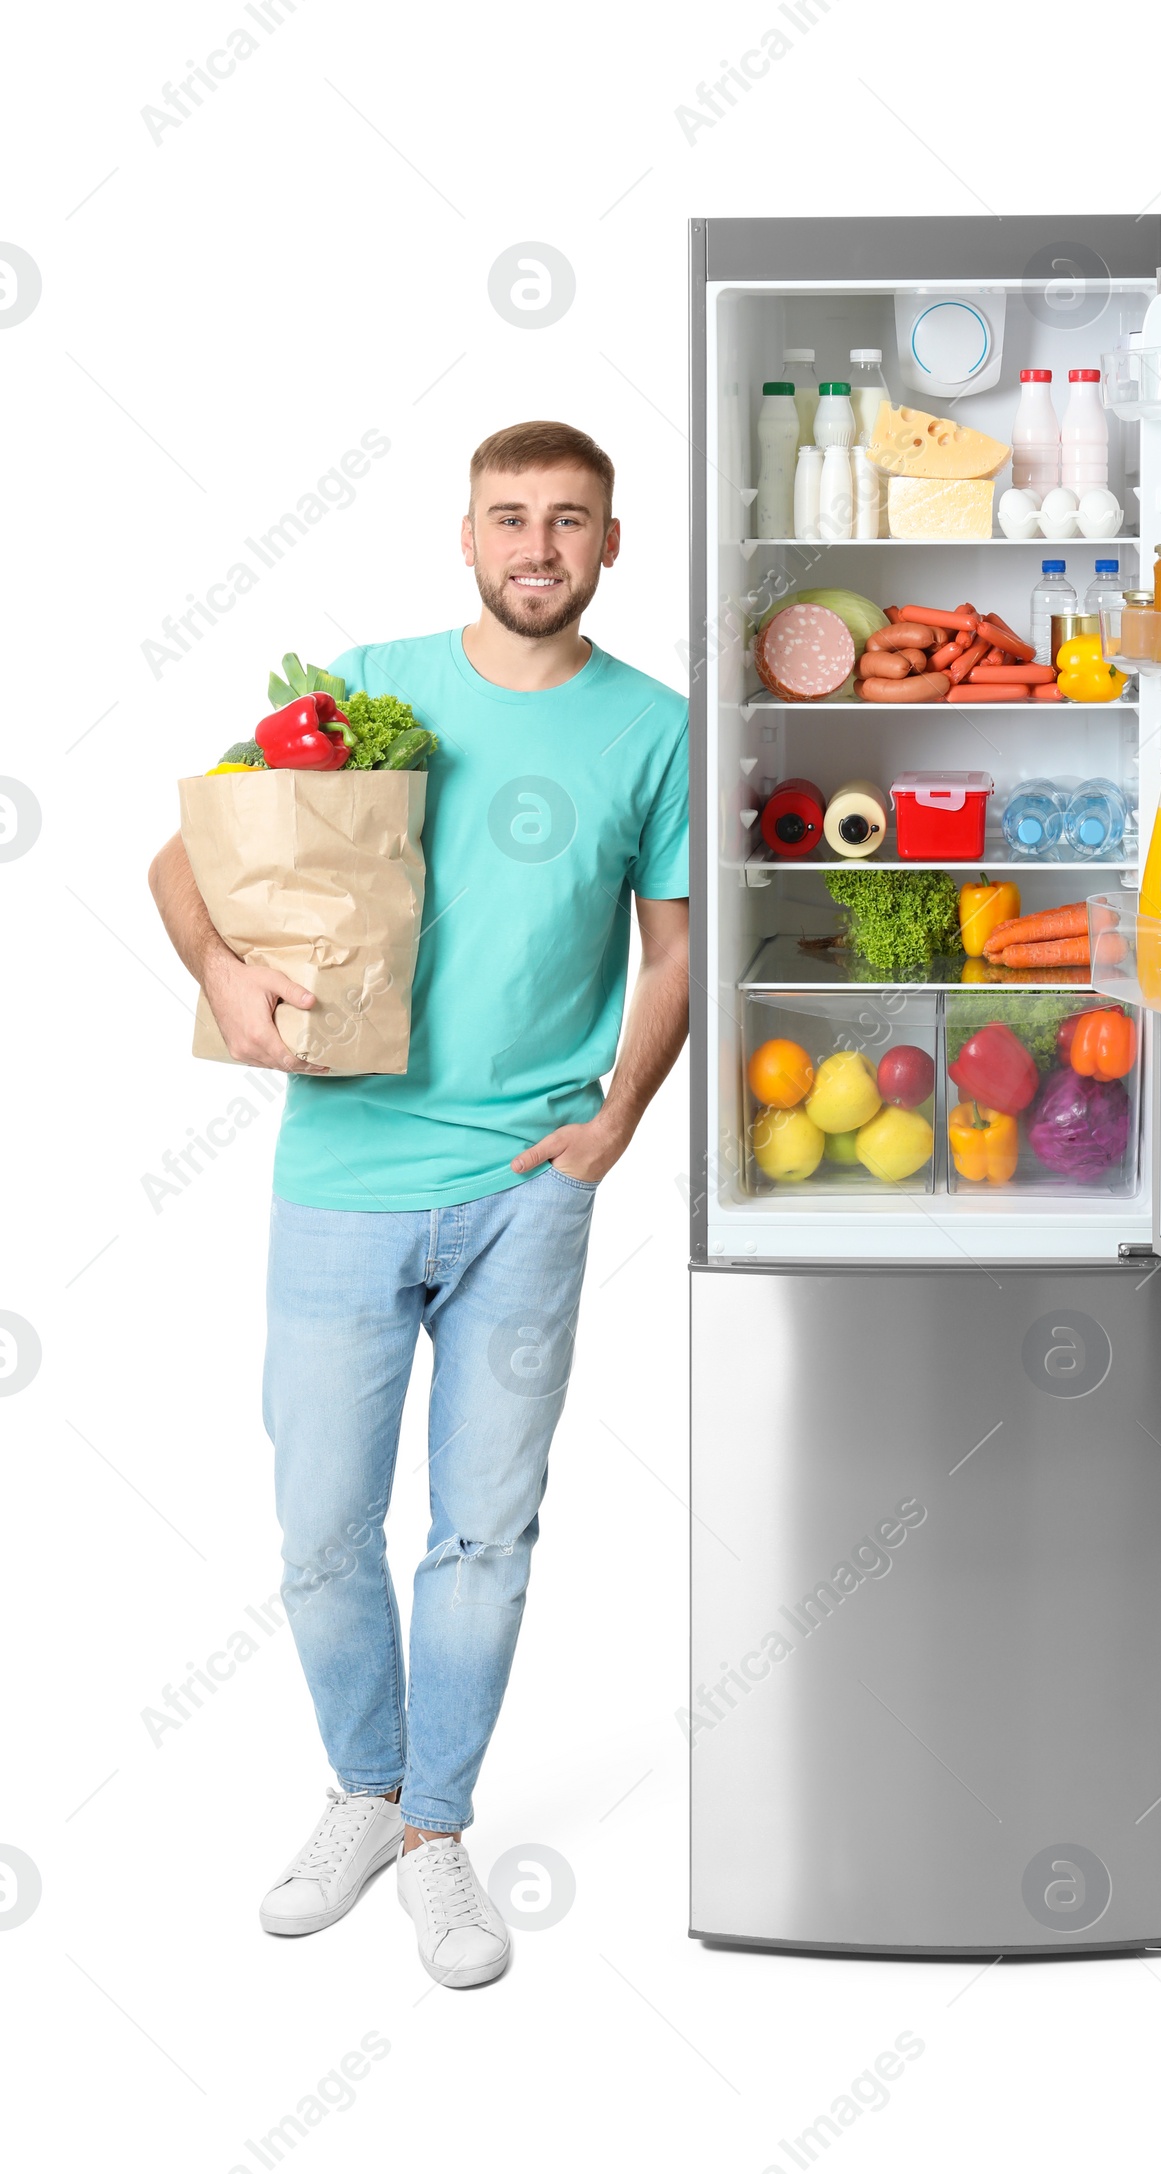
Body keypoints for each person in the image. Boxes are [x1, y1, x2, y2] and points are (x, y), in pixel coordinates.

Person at [148, 420, 690, 1988]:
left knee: (483, 1530)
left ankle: (438, 1828)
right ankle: (363, 1792)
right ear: (466, 538)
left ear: (610, 546)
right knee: (322, 1525)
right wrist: (224, 971)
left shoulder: (650, 729)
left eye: (570, 522)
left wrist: (619, 1118)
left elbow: (673, 951)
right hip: (342, 1174)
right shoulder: (369, 685)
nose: (539, 546)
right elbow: (183, 864)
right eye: (510, 519)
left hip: (529, 1185)